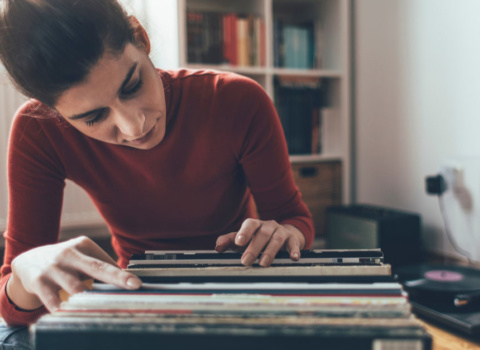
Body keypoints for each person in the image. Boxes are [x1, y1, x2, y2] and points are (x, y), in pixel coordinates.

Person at [0, 0, 314, 333]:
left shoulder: (236, 100)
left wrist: (285, 232)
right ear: (54, 113)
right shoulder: (38, 132)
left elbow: (294, 218)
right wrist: (25, 267)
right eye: (93, 118)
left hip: (240, 285)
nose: (135, 127)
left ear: (140, 37)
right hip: (137, 292)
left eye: (133, 86)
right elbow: (14, 311)